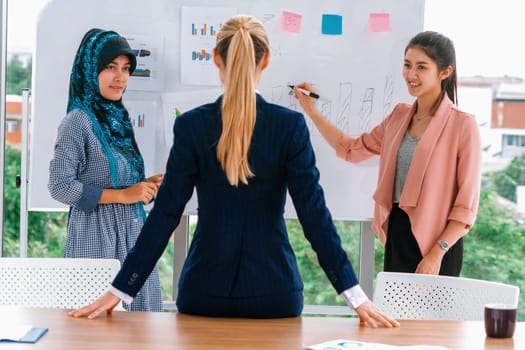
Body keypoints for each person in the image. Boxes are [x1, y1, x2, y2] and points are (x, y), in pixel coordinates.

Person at [69, 16, 399, 328]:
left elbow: (165, 214)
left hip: (204, 291)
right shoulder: (289, 127)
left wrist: (121, 289)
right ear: (266, 60)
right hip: (274, 293)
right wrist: (355, 295)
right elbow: (314, 216)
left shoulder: (192, 125)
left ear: (215, 58)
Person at [293, 31, 481, 276]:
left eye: (422, 67)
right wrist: (311, 111)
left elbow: (466, 206)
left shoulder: (462, 125)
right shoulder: (399, 116)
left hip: (439, 245)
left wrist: (437, 253)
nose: (411, 75)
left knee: (433, 316)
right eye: (407, 65)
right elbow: (352, 149)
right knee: (394, 315)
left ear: (444, 72)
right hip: (398, 234)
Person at [48, 28, 164, 312]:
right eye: (111, 67)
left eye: (126, 68)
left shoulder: (117, 120)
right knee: (96, 330)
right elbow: (60, 186)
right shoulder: (78, 121)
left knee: (141, 331)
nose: (120, 77)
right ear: (90, 70)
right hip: (96, 237)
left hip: (132, 235)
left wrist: (144, 186)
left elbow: (119, 181)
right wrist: (124, 196)